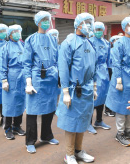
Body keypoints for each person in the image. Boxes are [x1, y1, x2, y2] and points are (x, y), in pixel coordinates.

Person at [56, 12, 96, 164]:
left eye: (90, 22)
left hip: (86, 89)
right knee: (71, 123)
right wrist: (65, 91)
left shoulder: (89, 43)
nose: (89, 26)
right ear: (78, 25)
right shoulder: (68, 43)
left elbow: (94, 66)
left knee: (83, 121)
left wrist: (95, 86)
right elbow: (64, 68)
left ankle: (78, 151)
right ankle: (69, 154)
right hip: (74, 89)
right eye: (86, 22)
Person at [22, 11, 59, 154]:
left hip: (51, 78)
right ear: (37, 22)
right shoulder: (31, 40)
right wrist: (28, 82)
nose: (46, 22)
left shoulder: (52, 39)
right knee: (33, 110)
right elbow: (26, 63)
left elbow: (56, 59)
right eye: (43, 20)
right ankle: (30, 141)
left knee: (50, 108)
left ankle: (46, 136)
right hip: (37, 77)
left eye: (47, 19)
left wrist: (59, 76)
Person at [105, 15, 130, 147]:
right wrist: (118, 80)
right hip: (123, 76)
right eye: (128, 25)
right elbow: (116, 63)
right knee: (121, 107)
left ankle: (128, 130)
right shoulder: (119, 43)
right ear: (124, 27)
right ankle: (120, 133)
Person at [0, 25, 26, 140]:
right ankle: (8, 128)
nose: (17, 33)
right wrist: (4, 80)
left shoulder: (23, 45)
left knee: (20, 102)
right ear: (9, 34)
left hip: (22, 77)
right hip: (11, 77)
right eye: (14, 32)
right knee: (9, 104)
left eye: (18, 31)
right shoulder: (5, 48)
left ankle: (17, 126)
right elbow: (2, 65)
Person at [87, 22, 111, 134]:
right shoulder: (89, 41)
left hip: (104, 72)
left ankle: (99, 120)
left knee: (102, 97)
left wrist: (110, 74)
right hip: (92, 71)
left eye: (101, 29)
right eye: (96, 29)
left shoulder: (106, 43)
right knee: (92, 97)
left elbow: (109, 60)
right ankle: (88, 123)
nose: (99, 31)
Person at [104, 35, 122, 117]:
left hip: (117, 73)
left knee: (116, 92)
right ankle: (108, 109)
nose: (118, 41)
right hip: (111, 71)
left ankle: (114, 108)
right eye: (116, 40)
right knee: (110, 91)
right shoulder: (111, 51)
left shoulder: (120, 50)